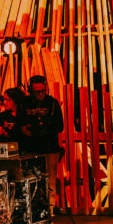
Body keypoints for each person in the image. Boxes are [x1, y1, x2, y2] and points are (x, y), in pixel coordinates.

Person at [19, 75, 66, 205]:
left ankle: (50, 209)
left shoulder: (52, 103)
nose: (41, 95)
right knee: (31, 182)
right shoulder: (24, 104)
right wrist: (24, 129)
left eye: (43, 91)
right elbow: (19, 123)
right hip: (31, 148)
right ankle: (33, 209)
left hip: (50, 147)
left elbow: (60, 126)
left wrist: (45, 129)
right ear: (30, 91)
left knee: (51, 183)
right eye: (37, 92)